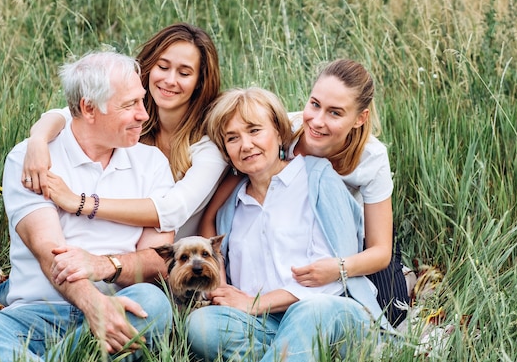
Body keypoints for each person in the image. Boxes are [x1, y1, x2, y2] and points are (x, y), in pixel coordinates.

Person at [0, 51, 175, 362]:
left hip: (118, 308)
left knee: (153, 302)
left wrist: (105, 265)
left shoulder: (152, 164)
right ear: (89, 108)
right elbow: (49, 253)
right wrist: (94, 307)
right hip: (36, 317)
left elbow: (159, 261)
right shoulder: (33, 158)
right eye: (129, 105)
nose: (144, 114)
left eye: (141, 101)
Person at [187, 87, 391, 362]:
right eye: (232, 138)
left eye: (254, 130)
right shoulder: (232, 204)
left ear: (279, 132)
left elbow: (330, 282)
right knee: (201, 325)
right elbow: (210, 235)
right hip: (265, 325)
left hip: (331, 314)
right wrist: (223, 290)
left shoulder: (318, 179)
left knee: (309, 312)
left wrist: (253, 304)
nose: (245, 145)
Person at [199, 59, 410, 326]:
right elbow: (222, 204)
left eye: (335, 113)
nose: (317, 121)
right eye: (314, 104)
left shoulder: (372, 158)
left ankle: (403, 276)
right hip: (292, 240)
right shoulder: (282, 131)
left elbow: (380, 250)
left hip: (357, 246)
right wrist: (220, 285)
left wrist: (338, 269)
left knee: (390, 315)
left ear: (360, 118)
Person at [23, 23, 226, 241]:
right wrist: (38, 141)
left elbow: (171, 210)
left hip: (169, 260)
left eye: (184, 73)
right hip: (118, 242)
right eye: (163, 67)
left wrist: (80, 202)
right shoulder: (133, 117)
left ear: (199, 82)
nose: (169, 80)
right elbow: (71, 114)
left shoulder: (208, 146)